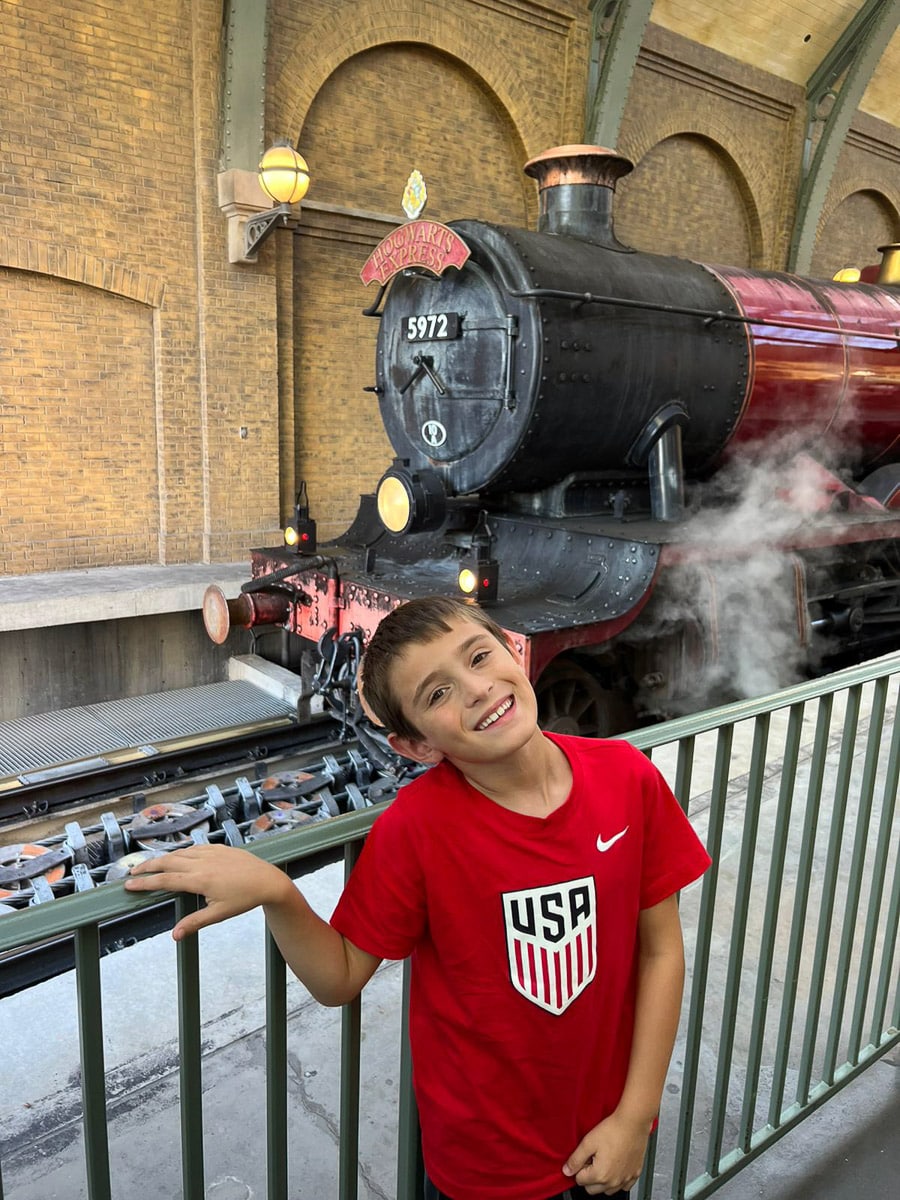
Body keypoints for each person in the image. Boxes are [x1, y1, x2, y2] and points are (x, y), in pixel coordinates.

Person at [126, 595, 711, 1200]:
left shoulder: (627, 775)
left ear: (514, 651)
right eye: (437, 694)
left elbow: (660, 952)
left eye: (479, 657)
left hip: (604, 1136)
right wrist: (279, 893)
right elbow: (341, 977)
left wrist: (635, 1118)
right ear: (417, 746)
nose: (477, 689)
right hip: (483, 1159)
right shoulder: (415, 830)